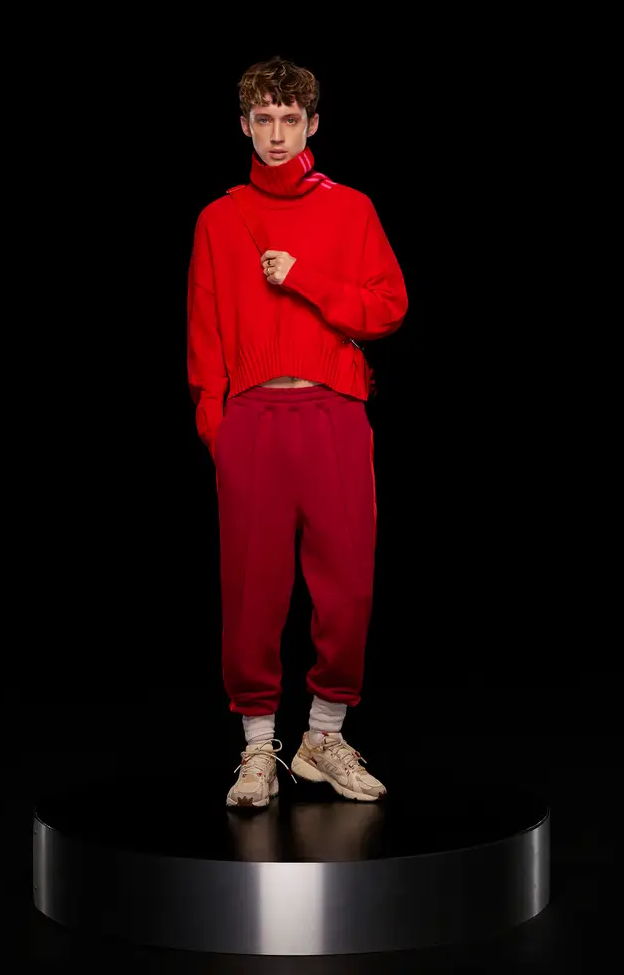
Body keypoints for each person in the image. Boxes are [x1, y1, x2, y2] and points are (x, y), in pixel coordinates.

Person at [187, 56, 408, 808]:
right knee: (253, 591)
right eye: (263, 120)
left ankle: (324, 736)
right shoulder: (219, 220)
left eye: (290, 119)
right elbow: (204, 333)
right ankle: (257, 748)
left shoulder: (352, 209)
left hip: (334, 413)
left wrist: (306, 276)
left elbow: (388, 308)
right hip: (252, 419)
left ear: (313, 124)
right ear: (244, 126)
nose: (277, 135)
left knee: (347, 586)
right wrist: (217, 427)